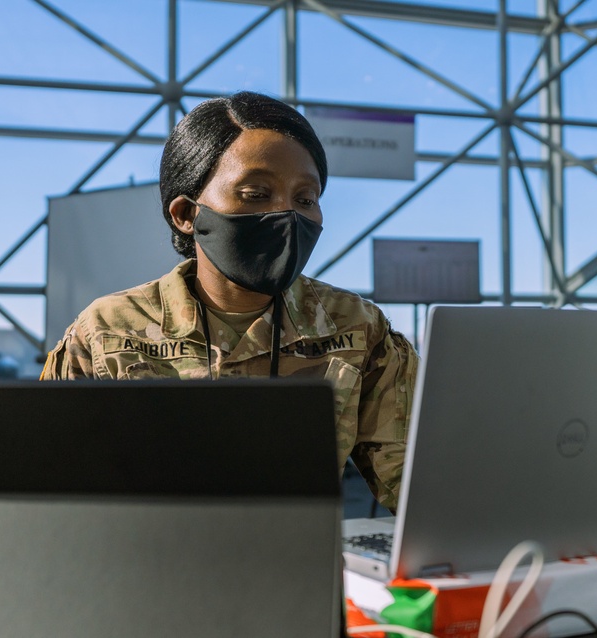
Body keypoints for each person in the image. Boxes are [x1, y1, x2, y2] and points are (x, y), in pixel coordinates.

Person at [41, 91, 419, 511]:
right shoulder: (108, 331)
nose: (286, 214)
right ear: (186, 214)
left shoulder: (357, 328)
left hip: (298, 566)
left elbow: (422, 486)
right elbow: (47, 491)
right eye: (256, 194)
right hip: (146, 566)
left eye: (305, 199)